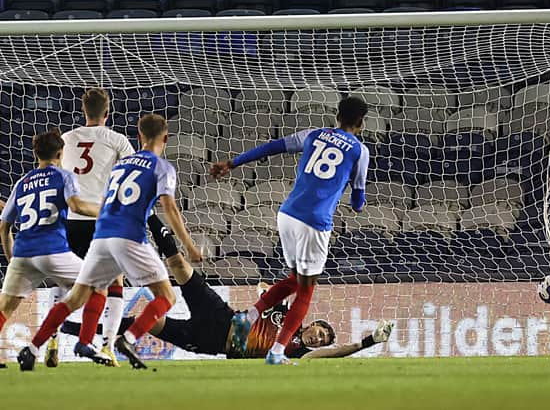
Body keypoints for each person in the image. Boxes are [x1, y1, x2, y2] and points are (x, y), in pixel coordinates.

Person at [18, 114, 203, 371]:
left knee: (77, 297)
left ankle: (34, 348)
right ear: (165, 137)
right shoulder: (161, 167)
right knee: (167, 296)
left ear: (139, 136)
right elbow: (168, 206)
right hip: (128, 236)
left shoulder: (121, 166)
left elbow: (106, 202)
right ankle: (125, 340)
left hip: (101, 234)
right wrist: (189, 245)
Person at [210, 96, 370, 364]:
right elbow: (357, 203)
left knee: (295, 280)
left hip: (287, 214)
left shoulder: (312, 134)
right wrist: (355, 195)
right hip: (315, 222)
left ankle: (248, 316)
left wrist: (233, 163)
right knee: (306, 291)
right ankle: (277, 351)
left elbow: (273, 147)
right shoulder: (360, 151)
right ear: (361, 123)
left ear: (338, 116)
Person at [46, 88, 177, 368]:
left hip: (69, 220)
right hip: (104, 222)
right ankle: (105, 346)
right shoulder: (117, 140)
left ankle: (52, 339)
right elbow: (135, 172)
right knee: (111, 284)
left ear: (84, 111)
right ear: (108, 112)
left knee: (66, 284)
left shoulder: (66, 139)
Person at [61, 254, 394, 360]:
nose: (318, 340)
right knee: (188, 277)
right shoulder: (289, 316)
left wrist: (367, 342)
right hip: (222, 318)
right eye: (319, 333)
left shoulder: (292, 351)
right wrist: (264, 297)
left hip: (210, 344)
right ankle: (156, 232)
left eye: (322, 340)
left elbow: (334, 353)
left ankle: (72, 329)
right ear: (311, 324)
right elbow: (273, 289)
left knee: (147, 324)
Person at [0, 129, 101, 369]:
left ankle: (35, 348)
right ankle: (85, 341)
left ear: (36, 153)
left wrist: (12, 257)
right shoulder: (64, 176)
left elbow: (4, 225)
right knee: (99, 284)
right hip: (52, 250)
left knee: (5, 308)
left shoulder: (22, 182)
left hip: (23, 253)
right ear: (60, 152)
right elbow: (77, 206)